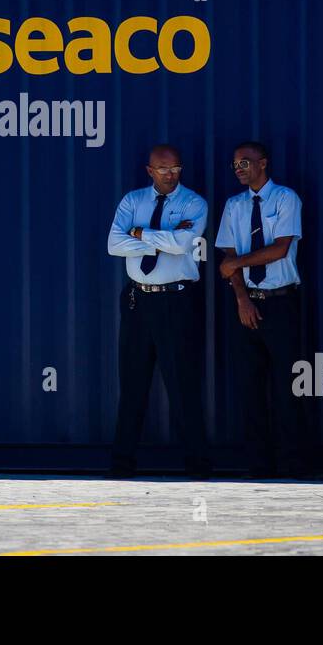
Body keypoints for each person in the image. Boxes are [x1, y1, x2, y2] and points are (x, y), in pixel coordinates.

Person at [106, 144, 211, 478]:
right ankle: (122, 466)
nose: (170, 175)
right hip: (138, 301)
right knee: (133, 386)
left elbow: (184, 245)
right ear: (149, 170)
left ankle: (197, 466)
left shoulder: (194, 202)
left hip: (176, 301)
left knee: (182, 386)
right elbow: (113, 244)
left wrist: (138, 233)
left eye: (176, 169)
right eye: (163, 170)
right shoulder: (132, 201)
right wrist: (161, 238)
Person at [215, 141, 306, 478]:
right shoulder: (234, 205)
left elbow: (280, 249)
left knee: (288, 387)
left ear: (263, 163)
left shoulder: (286, 199)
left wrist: (237, 261)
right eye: (235, 165)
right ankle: (258, 464)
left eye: (245, 163)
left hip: (281, 302)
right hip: (247, 302)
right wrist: (241, 298)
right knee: (250, 387)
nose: (239, 169)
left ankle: (293, 463)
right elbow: (227, 260)